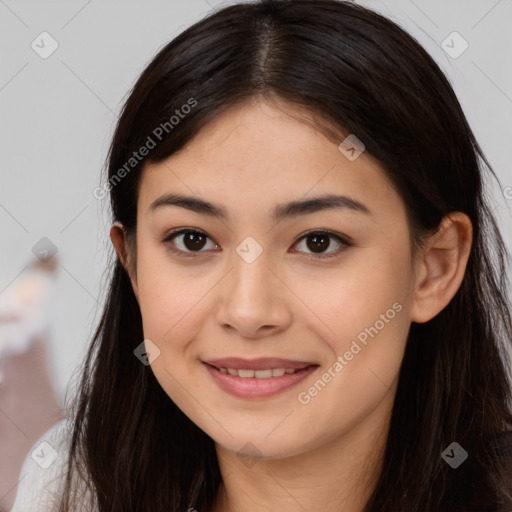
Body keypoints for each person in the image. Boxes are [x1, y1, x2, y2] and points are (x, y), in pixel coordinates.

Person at [11, 0, 512, 510]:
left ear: (435, 267)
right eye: (192, 240)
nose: (248, 312)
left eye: (319, 241)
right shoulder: (69, 492)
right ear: (133, 263)